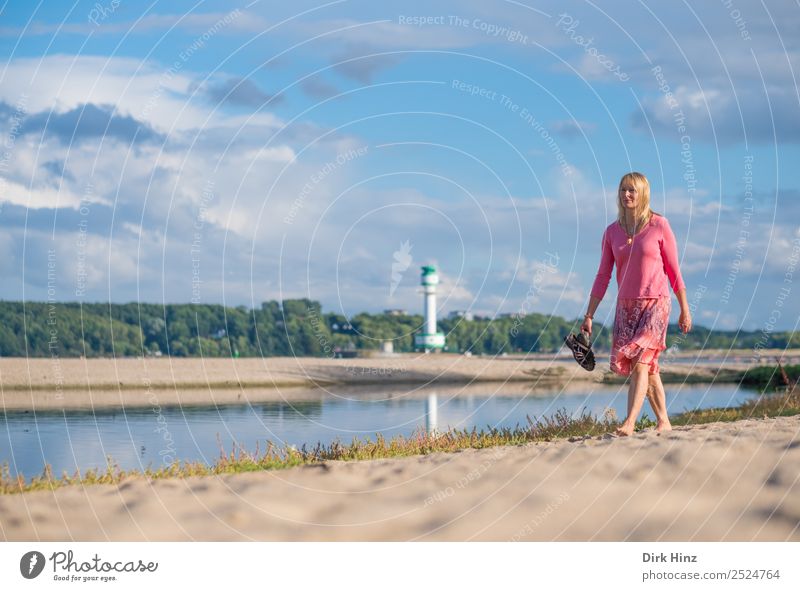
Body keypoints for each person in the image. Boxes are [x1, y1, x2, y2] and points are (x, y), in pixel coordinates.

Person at [581, 172, 692, 436]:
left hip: (656, 303)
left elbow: (674, 270)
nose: (627, 195)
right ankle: (664, 420)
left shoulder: (659, 225)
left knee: (641, 362)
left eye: (632, 190)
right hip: (626, 308)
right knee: (647, 368)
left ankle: (629, 421)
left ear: (643, 194)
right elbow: (603, 275)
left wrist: (684, 309)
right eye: (623, 190)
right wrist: (589, 315)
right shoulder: (611, 232)